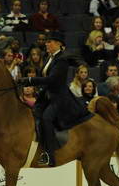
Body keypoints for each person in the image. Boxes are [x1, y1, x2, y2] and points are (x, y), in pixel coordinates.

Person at [21, 32, 92, 166]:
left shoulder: (62, 59)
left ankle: (49, 155)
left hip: (59, 98)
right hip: (47, 97)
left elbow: (52, 80)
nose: (47, 44)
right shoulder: (50, 58)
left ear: (59, 44)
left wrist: (29, 80)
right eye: (46, 42)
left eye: (50, 42)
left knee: (46, 118)